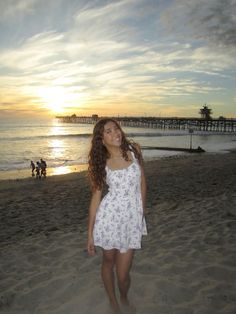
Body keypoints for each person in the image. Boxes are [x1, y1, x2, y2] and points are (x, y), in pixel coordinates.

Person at [87, 118, 147, 314]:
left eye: (116, 129)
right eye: (108, 131)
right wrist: (89, 233)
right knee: (108, 261)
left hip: (131, 220)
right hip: (109, 219)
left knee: (123, 275)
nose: (116, 133)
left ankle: (123, 296)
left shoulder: (135, 151)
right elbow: (96, 198)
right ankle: (113, 302)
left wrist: (140, 214)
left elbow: (143, 183)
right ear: (101, 139)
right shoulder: (101, 163)